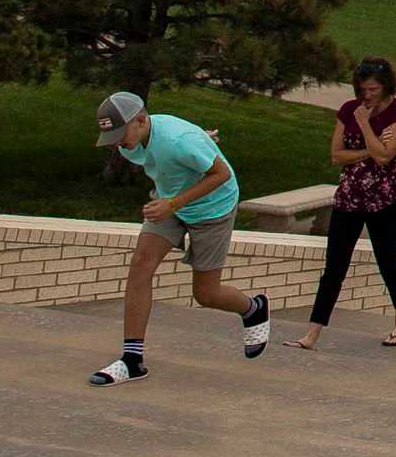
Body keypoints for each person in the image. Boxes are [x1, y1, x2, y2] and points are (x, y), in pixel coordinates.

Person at [88, 90, 270, 383]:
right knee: (140, 267)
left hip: (213, 207)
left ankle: (254, 309)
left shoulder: (178, 139)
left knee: (206, 294)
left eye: (121, 133)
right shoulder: (132, 142)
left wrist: (174, 199)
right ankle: (131, 360)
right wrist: (174, 196)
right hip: (171, 203)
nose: (118, 143)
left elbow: (221, 174)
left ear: (142, 120)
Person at [290, 56, 396, 351]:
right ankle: (312, 332)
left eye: (373, 89)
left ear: (386, 87)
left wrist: (364, 126)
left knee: (387, 260)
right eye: (363, 89)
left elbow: (387, 157)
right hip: (350, 197)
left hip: (386, 201)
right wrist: (367, 147)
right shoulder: (349, 110)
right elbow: (337, 155)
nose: (367, 95)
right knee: (334, 266)